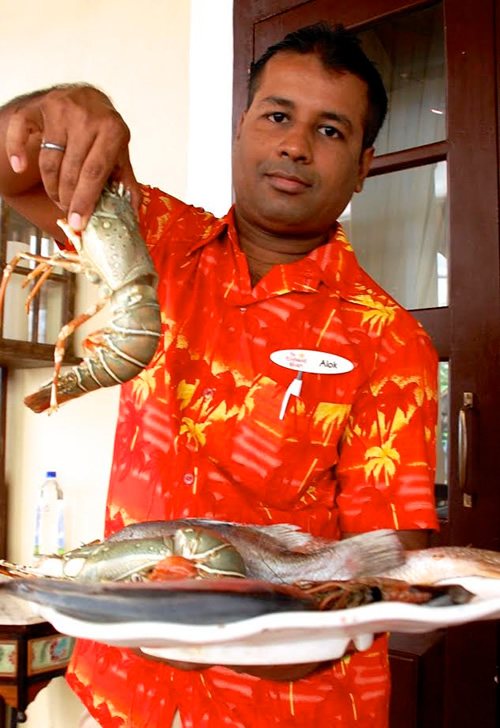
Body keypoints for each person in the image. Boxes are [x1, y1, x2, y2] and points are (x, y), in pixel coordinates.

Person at [0, 23, 438, 728]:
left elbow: (389, 567)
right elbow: (15, 168)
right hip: (114, 694)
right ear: (241, 131)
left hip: (287, 706)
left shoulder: (391, 340)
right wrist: (59, 108)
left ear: (364, 165)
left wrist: (242, 632)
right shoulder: (162, 240)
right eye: (276, 115)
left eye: (330, 130)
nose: (295, 143)